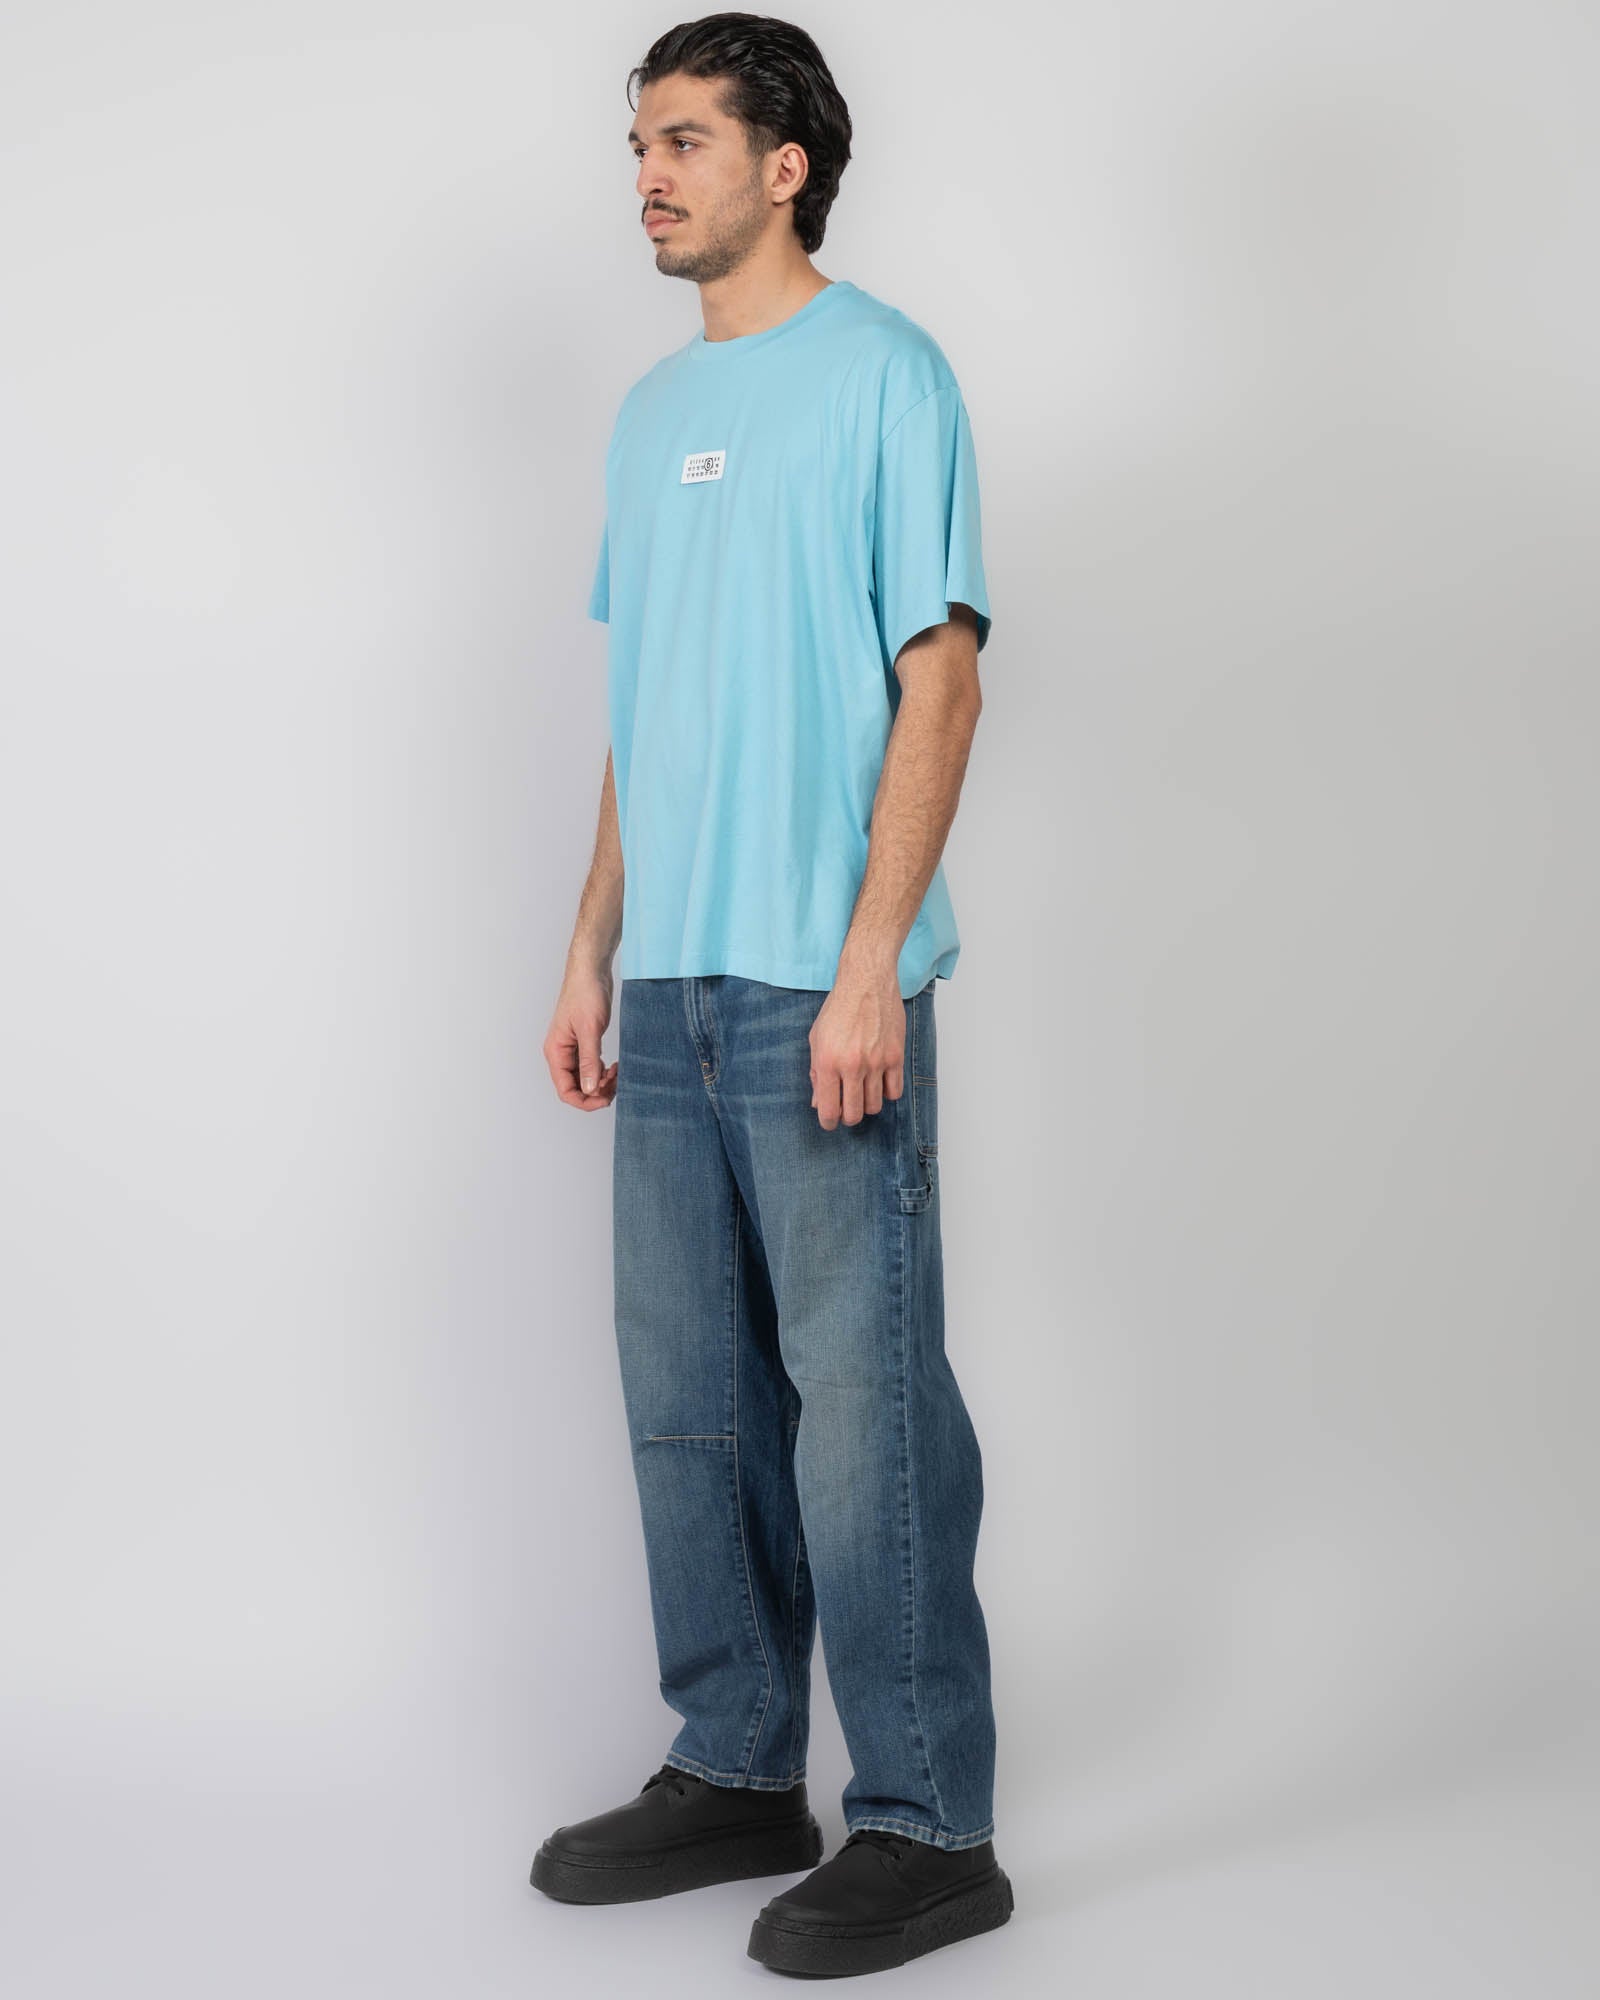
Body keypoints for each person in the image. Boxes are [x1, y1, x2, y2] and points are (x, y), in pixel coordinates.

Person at [530, 13, 1011, 1977]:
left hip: (821, 980)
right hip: (670, 983)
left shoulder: (887, 373)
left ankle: (927, 1822)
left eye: (683, 141)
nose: (646, 176)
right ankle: (735, 1765)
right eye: (637, 145)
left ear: (783, 162)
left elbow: (940, 676)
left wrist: (872, 959)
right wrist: (588, 945)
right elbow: (644, 706)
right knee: (690, 1408)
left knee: (862, 1410)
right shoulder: (650, 414)